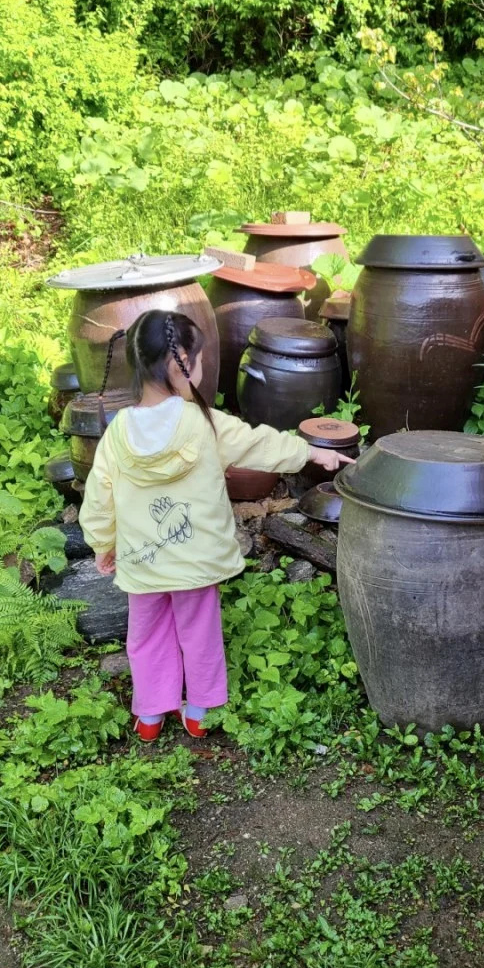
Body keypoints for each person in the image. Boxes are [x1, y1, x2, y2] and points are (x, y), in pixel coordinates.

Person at [79, 309, 351, 742]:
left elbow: (99, 496)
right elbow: (258, 443)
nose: (202, 369)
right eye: (200, 360)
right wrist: (311, 453)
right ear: (180, 361)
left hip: (143, 563)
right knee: (199, 634)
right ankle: (200, 711)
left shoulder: (118, 432)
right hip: (195, 562)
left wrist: (102, 543)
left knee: (146, 637)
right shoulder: (203, 424)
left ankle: (150, 715)